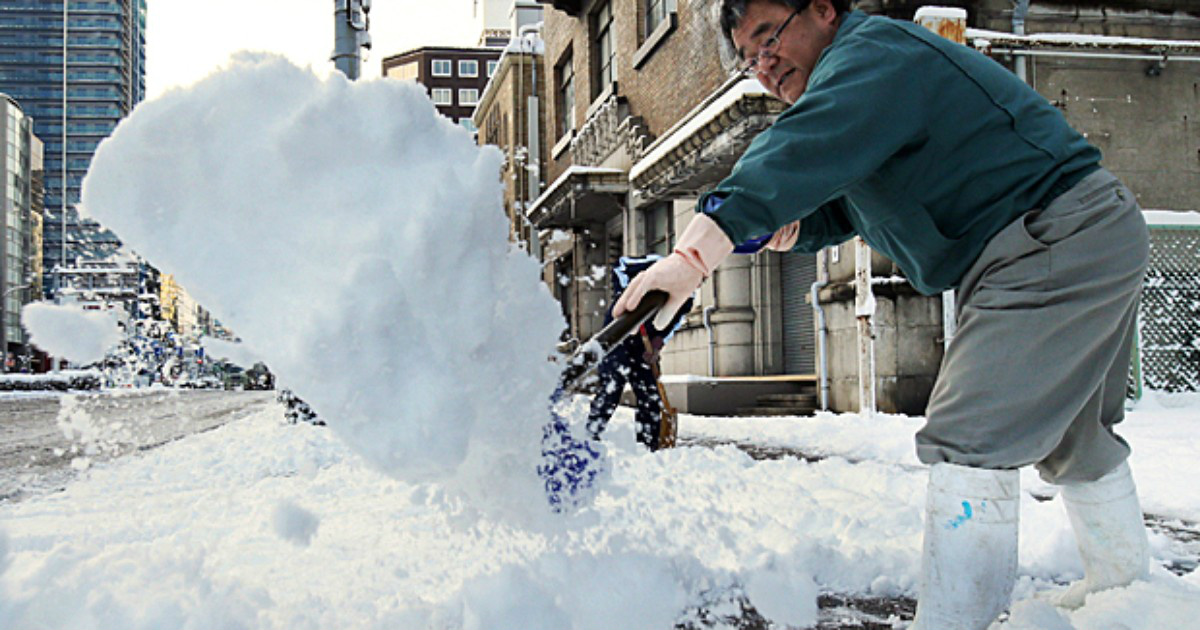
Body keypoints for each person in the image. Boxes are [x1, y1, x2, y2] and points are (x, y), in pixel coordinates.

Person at [613, 1, 1151, 628]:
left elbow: (800, 148)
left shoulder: (871, 58)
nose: (765, 66)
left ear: (822, 10)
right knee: (1074, 435)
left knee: (969, 441)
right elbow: (850, 205)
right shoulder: (866, 90)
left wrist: (692, 253)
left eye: (770, 38)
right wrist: (789, 225)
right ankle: (1126, 595)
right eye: (750, 58)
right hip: (1073, 234)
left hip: (1051, 237)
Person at [587, 255, 691, 451]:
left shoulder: (687, 297)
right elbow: (620, 266)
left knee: (650, 396)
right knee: (611, 390)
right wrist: (633, 302)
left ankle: (648, 444)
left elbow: (673, 322)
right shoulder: (657, 265)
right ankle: (590, 436)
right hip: (617, 339)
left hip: (643, 347)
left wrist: (658, 343)